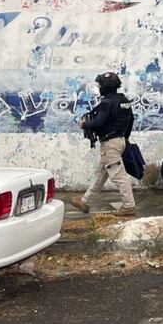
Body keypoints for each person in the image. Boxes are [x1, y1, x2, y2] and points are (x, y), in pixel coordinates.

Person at [69, 72, 137, 216]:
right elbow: (131, 120)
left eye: (100, 85)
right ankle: (85, 201)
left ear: (104, 87)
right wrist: (125, 138)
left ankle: (129, 206)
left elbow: (99, 121)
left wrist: (84, 124)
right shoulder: (123, 100)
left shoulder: (107, 102)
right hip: (120, 140)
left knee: (119, 176)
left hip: (110, 144)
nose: (99, 87)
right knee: (100, 174)